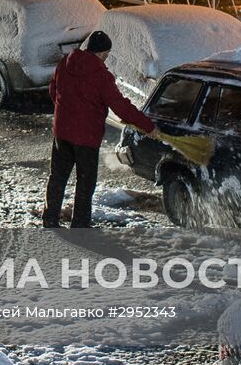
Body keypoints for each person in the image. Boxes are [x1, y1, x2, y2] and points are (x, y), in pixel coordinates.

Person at [43, 29, 157, 228]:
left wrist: (66, 111)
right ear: (102, 52)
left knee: (58, 177)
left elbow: (54, 89)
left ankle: (50, 218)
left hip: (62, 132)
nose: (106, 58)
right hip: (86, 137)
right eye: (106, 54)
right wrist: (147, 126)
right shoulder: (101, 76)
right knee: (85, 184)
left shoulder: (65, 63)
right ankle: (80, 225)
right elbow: (120, 106)